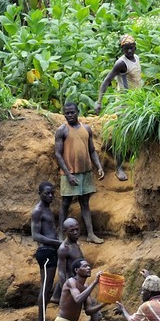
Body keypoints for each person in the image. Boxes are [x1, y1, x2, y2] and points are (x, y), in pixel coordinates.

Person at [53, 102, 105, 243]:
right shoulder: (62, 130)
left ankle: (90, 234)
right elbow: (57, 154)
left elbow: (92, 150)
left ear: (78, 112)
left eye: (72, 112)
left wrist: (99, 166)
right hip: (69, 173)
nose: (69, 115)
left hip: (85, 171)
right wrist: (68, 174)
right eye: (66, 113)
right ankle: (60, 235)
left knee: (85, 203)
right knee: (65, 203)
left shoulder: (86, 129)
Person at [96, 34, 142, 180]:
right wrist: (99, 101)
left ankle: (137, 163)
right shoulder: (121, 64)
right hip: (124, 104)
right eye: (126, 49)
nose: (129, 51)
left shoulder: (137, 59)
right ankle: (119, 168)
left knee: (137, 133)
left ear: (135, 47)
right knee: (122, 136)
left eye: (131, 48)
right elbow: (106, 81)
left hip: (136, 103)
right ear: (122, 49)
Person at [29, 182, 63, 321]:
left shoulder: (47, 209)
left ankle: (42, 320)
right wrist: (57, 243)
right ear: (39, 193)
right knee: (45, 287)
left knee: (48, 285)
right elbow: (35, 235)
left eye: (52, 193)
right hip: (46, 251)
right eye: (47, 193)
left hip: (51, 250)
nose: (50, 196)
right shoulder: (38, 211)